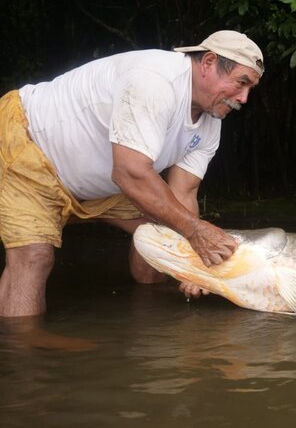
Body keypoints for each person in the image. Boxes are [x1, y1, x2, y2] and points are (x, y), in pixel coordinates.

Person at [0, 30, 264, 317]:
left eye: (250, 89)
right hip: (26, 144)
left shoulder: (211, 122)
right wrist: (195, 232)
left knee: (165, 233)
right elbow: (130, 172)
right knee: (33, 255)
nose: (244, 98)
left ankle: (147, 321)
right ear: (208, 62)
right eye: (241, 83)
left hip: (99, 182)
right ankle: (23, 352)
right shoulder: (154, 81)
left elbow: (183, 194)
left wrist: (193, 266)